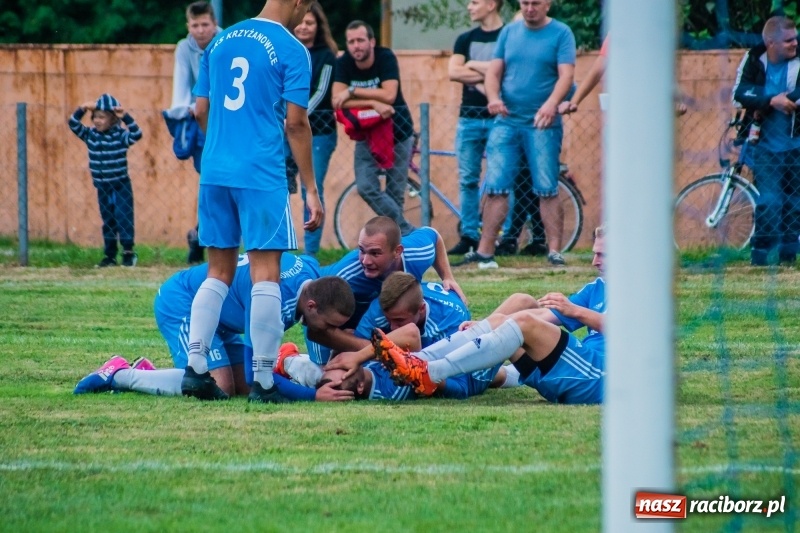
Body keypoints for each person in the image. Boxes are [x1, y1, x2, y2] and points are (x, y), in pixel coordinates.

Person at [181, 0, 323, 404]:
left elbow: (201, 110)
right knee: (266, 273)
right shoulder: (293, 48)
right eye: (306, 6)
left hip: (215, 171)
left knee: (218, 271)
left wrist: (224, 141)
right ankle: (263, 381)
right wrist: (311, 188)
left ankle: (196, 368)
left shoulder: (220, 41)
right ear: (296, 2)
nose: (304, 15)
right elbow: (296, 123)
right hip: (260, 172)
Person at [375, 226, 606, 405]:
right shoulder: (597, 287)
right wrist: (487, 326)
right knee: (508, 316)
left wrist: (577, 311)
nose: (594, 261)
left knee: (521, 322)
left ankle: (431, 372)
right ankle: (417, 362)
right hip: (570, 371)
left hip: (600, 375)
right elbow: (545, 315)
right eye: (594, 254)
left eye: (602, 255)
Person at [74, 255, 355, 402]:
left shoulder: (313, 275)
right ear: (312, 306)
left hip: (221, 314)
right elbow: (256, 375)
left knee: (239, 389)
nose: (330, 333)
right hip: (182, 300)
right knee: (217, 386)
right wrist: (312, 395)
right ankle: (119, 375)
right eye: (330, 326)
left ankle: (151, 373)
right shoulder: (274, 302)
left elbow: (309, 262)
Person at [456, 0, 576, 269]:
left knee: (547, 187)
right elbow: (493, 73)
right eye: (525, 3)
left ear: (548, 4)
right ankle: (485, 252)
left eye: (535, 3)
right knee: (496, 185)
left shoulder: (561, 33)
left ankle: (554, 251)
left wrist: (550, 105)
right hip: (507, 121)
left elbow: (566, 76)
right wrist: (494, 98)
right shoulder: (509, 33)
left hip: (542, 123)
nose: (530, 8)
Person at [313, 217, 466, 354]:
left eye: (375, 253)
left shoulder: (418, 253)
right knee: (329, 373)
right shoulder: (345, 276)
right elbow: (314, 310)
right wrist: (326, 357)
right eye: (361, 250)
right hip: (325, 305)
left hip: (380, 314)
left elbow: (433, 236)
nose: (365, 260)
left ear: (398, 251)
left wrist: (448, 277)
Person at [331, 21, 416, 235]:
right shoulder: (343, 63)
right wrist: (374, 103)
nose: (355, 46)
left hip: (399, 133)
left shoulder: (385, 57)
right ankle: (405, 231)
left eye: (360, 40)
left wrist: (352, 90)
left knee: (395, 193)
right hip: (366, 134)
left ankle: (394, 250)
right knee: (366, 186)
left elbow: (390, 95)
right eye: (351, 42)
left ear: (372, 41)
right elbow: (336, 101)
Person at [733, 15, 800, 266]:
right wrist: (772, 100)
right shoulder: (753, 59)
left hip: (796, 144)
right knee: (770, 202)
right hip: (765, 147)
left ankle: (787, 258)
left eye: (796, 38)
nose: (795, 43)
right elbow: (739, 93)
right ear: (771, 43)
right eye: (788, 40)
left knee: (794, 204)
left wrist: (788, 99)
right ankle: (760, 256)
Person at [446, 0, 505, 255]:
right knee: (468, 180)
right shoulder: (464, 39)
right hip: (469, 118)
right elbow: (453, 72)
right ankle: (469, 235)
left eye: (474, 2)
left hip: (500, 119)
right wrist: (492, 74)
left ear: (491, 4)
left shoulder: (508, 36)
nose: (469, 7)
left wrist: (472, 65)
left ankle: (503, 238)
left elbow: (509, 71)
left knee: (500, 181)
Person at [171, 1, 223, 264]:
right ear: (188, 26)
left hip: (226, 124)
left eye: (205, 24)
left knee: (219, 186)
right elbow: (180, 87)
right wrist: (182, 110)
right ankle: (204, 237)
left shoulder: (226, 41)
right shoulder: (184, 47)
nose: (201, 30)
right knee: (212, 184)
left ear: (214, 24)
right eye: (195, 25)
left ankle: (201, 236)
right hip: (200, 121)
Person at [285, 2, 338, 256]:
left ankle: (310, 254)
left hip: (319, 133)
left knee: (312, 189)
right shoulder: (285, 50)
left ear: (318, 27)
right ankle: (279, 247)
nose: (304, 27)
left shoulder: (326, 55)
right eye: (302, 22)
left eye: (310, 23)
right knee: (279, 185)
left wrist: (296, 115)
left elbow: (320, 91)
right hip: (285, 130)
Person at [68, 94, 143, 268]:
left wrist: (126, 116)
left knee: (123, 218)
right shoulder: (90, 135)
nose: (97, 121)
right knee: (108, 220)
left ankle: (128, 253)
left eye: (102, 117)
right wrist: (83, 108)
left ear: (113, 119)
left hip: (120, 185)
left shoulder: (120, 136)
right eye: (95, 117)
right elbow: (73, 123)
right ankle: (109, 255)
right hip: (102, 186)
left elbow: (137, 134)